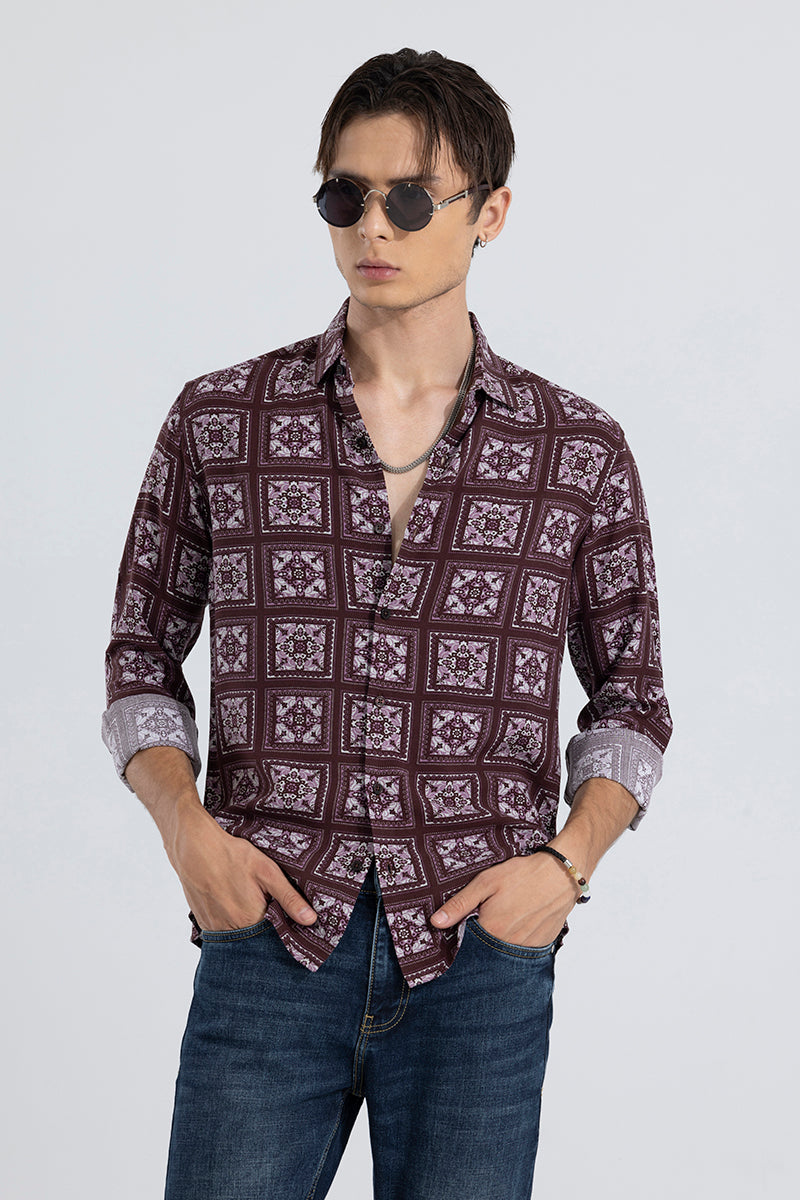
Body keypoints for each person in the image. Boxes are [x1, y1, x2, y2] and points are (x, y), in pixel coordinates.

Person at [102, 47, 672, 1200]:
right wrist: (185, 832)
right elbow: (139, 657)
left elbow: (631, 695)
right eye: (344, 195)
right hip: (269, 937)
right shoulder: (223, 419)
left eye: (410, 199)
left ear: (489, 213)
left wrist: (565, 866)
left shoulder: (574, 450)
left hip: (478, 961)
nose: (373, 225)